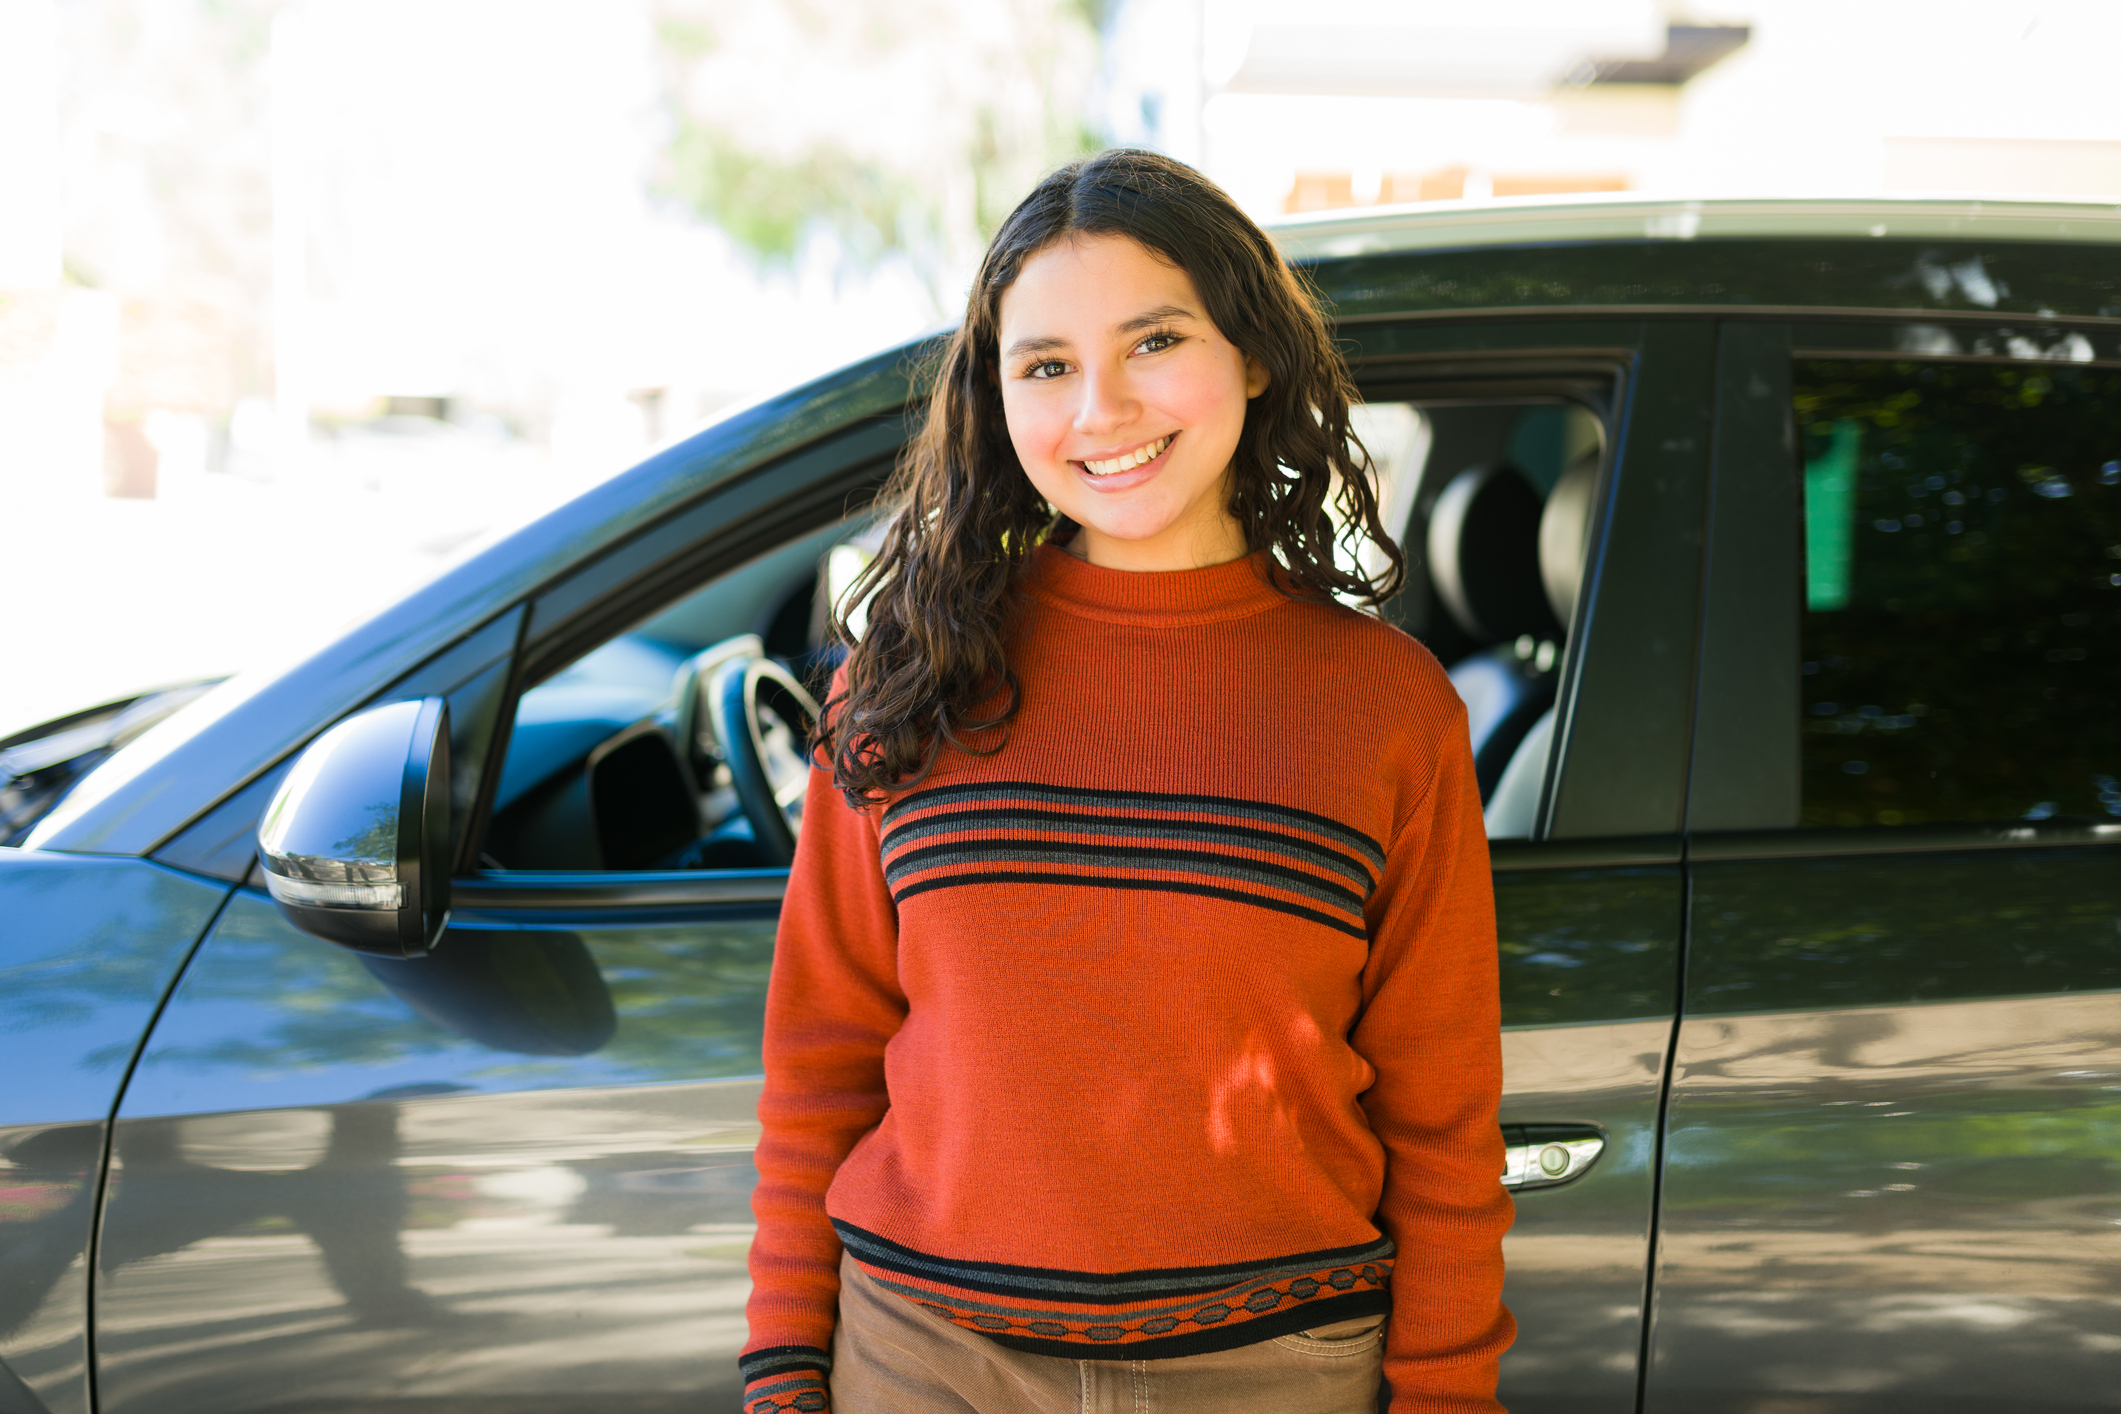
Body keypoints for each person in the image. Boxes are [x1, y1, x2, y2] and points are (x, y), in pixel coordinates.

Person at [739, 148, 1513, 1414]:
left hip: (1274, 1368)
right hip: (929, 1362)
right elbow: (820, 1064)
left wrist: (1445, 1397)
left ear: (1250, 356)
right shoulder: (903, 680)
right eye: (1046, 365)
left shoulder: (1388, 708)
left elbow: (1442, 1122)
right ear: (996, 398)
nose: (1098, 409)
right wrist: (782, 1373)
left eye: (1153, 342)